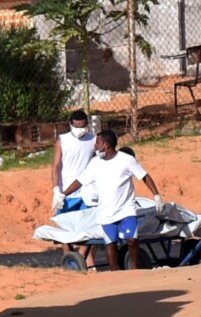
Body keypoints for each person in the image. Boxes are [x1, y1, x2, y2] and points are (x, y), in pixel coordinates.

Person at [60, 130, 164, 271]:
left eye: (97, 143)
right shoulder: (95, 163)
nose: (95, 146)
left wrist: (156, 195)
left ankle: (135, 268)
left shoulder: (126, 160)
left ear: (106, 145)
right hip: (106, 212)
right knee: (111, 243)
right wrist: (63, 194)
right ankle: (114, 272)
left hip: (126, 209)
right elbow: (80, 181)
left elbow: (144, 176)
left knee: (132, 239)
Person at [51, 110, 98, 266]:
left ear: (87, 125)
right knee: (65, 229)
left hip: (86, 192)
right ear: (71, 124)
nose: (79, 129)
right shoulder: (63, 140)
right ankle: (69, 261)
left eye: (82, 126)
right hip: (66, 193)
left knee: (89, 228)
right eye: (76, 125)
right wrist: (56, 190)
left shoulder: (93, 140)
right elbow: (56, 166)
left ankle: (83, 258)